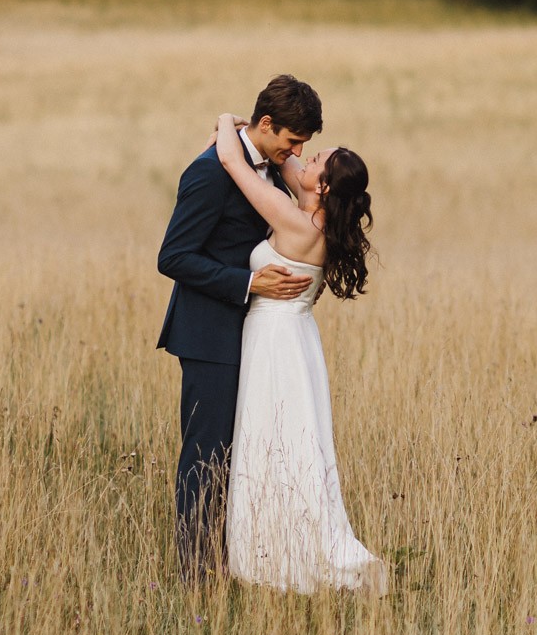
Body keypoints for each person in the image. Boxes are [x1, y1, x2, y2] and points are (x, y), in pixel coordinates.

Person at [212, 111, 386, 595]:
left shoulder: (297, 222)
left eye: (315, 160)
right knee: (290, 440)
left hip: (275, 341)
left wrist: (227, 121)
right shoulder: (317, 216)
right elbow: (284, 161)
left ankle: (276, 557)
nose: (303, 158)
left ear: (323, 187)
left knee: (272, 440)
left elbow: (233, 161)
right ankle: (275, 547)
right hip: (297, 339)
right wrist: (264, 135)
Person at [157, 74, 322, 578]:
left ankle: (236, 560)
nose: (297, 153)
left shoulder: (267, 166)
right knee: (206, 454)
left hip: (251, 336)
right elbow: (173, 257)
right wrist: (249, 283)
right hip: (208, 336)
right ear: (267, 124)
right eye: (292, 141)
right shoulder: (210, 171)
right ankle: (197, 572)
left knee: (238, 454)